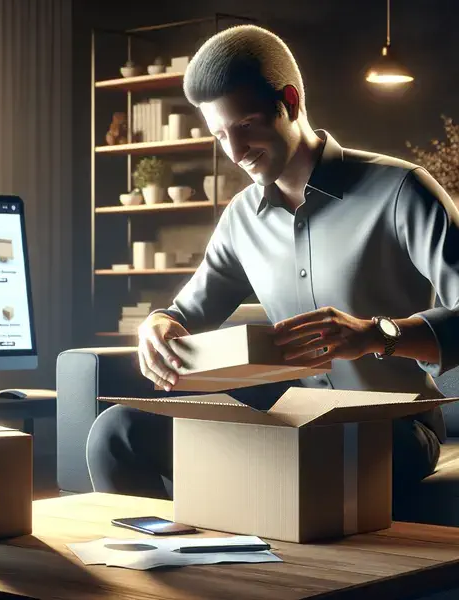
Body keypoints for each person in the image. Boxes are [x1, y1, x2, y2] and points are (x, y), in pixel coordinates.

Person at [86, 25, 459, 509]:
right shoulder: (240, 218)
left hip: (392, 428)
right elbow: (186, 313)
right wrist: (158, 327)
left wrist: (373, 335)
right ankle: (160, 570)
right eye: (219, 134)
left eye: (246, 126)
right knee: (117, 431)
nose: (235, 153)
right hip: (289, 420)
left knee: (303, 465)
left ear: (290, 102)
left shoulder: (403, 190)